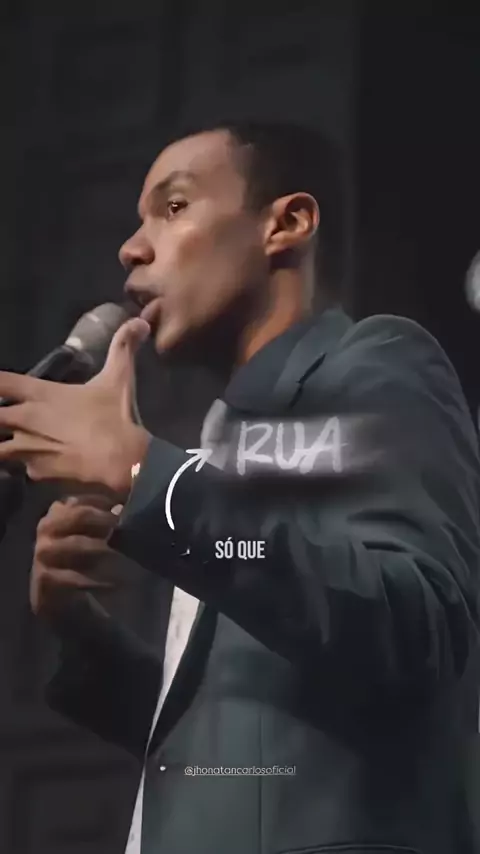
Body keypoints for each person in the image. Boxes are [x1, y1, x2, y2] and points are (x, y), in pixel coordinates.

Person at [0, 119, 479, 854]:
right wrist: (81, 629)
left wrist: (143, 476)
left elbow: (422, 628)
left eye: (174, 206)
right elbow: (245, 755)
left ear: (286, 224)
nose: (131, 248)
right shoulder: (225, 450)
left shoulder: (377, 361)